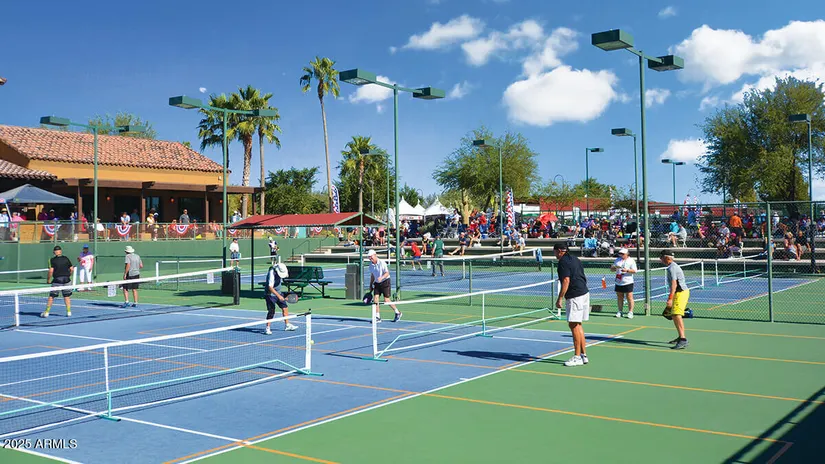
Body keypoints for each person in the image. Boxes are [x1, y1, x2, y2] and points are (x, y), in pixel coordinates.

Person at [553, 243, 590, 367]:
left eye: (554, 252)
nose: (554, 254)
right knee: (578, 325)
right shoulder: (575, 259)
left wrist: (560, 298)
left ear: (559, 251)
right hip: (583, 292)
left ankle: (577, 356)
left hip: (575, 295)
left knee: (573, 325)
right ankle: (583, 355)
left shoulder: (563, 262)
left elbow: (566, 280)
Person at [660, 249, 690, 349]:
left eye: (661, 257)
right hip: (680, 293)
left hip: (681, 293)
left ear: (667, 258)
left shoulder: (672, 268)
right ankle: (680, 336)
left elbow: (674, 284)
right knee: (674, 315)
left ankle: (683, 339)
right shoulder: (672, 266)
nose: (660, 259)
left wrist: (670, 298)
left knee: (676, 315)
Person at [367, 249, 401, 322]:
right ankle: (377, 317)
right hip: (377, 283)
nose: (370, 258)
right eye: (369, 257)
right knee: (376, 299)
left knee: (386, 300)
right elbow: (372, 275)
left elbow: (387, 273)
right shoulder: (370, 265)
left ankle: (397, 312)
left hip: (385, 281)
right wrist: (370, 284)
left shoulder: (382, 262)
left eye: (371, 256)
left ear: (375, 255)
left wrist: (381, 278)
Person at [264, 262, 297, 334]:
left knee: (285, 308)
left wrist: (280, 295)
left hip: (278, 292)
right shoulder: (272, 273)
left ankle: (287, 325)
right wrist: (279, 296)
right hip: (270, 294)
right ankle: (267, 328)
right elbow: (270, 287)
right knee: (271, 311)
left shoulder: (281, 270)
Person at [41, 245, 74, 318]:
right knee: (67, 296)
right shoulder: (66, 258)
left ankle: (46, 312)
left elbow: (51, 271)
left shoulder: (51, 260)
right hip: (67, 280)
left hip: (57, 280)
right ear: (60, 251)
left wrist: (48, 280)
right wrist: (69, 275)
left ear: (54, 252)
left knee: (51, 297)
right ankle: (69, 312)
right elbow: (72, 269)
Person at [610, 247, 637, 319]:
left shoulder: (631, 260)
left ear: (627, 254)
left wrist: (627, 270)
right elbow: (612, 270)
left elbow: (635, 270)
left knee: (629, 297)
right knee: (619, 297)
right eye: (620, 253)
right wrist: (613, 268)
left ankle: (630, 312)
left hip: (628, 281)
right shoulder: (617, 260)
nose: (621, 255)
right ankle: (620, 311)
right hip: (619, 281)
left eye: (622, 254)